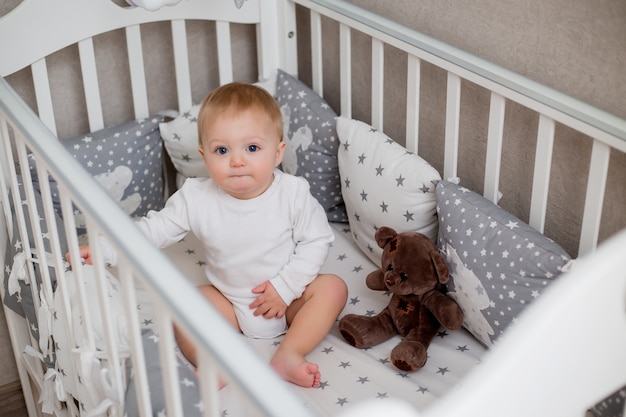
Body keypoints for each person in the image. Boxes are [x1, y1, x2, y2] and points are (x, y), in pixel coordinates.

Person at [72, 82, 348, 389]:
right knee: (181, 302)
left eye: (252, 148)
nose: (237, 160)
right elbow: (153, 230)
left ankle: (289, 354)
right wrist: (105, 249)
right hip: (228, 302)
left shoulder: (293, 194)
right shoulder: (196, 197)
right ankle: (212, 364)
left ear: (278, 152)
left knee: (332, 288)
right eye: (222, 150)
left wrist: (285, 287)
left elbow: (317, 241)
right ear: (205, 156)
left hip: (290, 300)